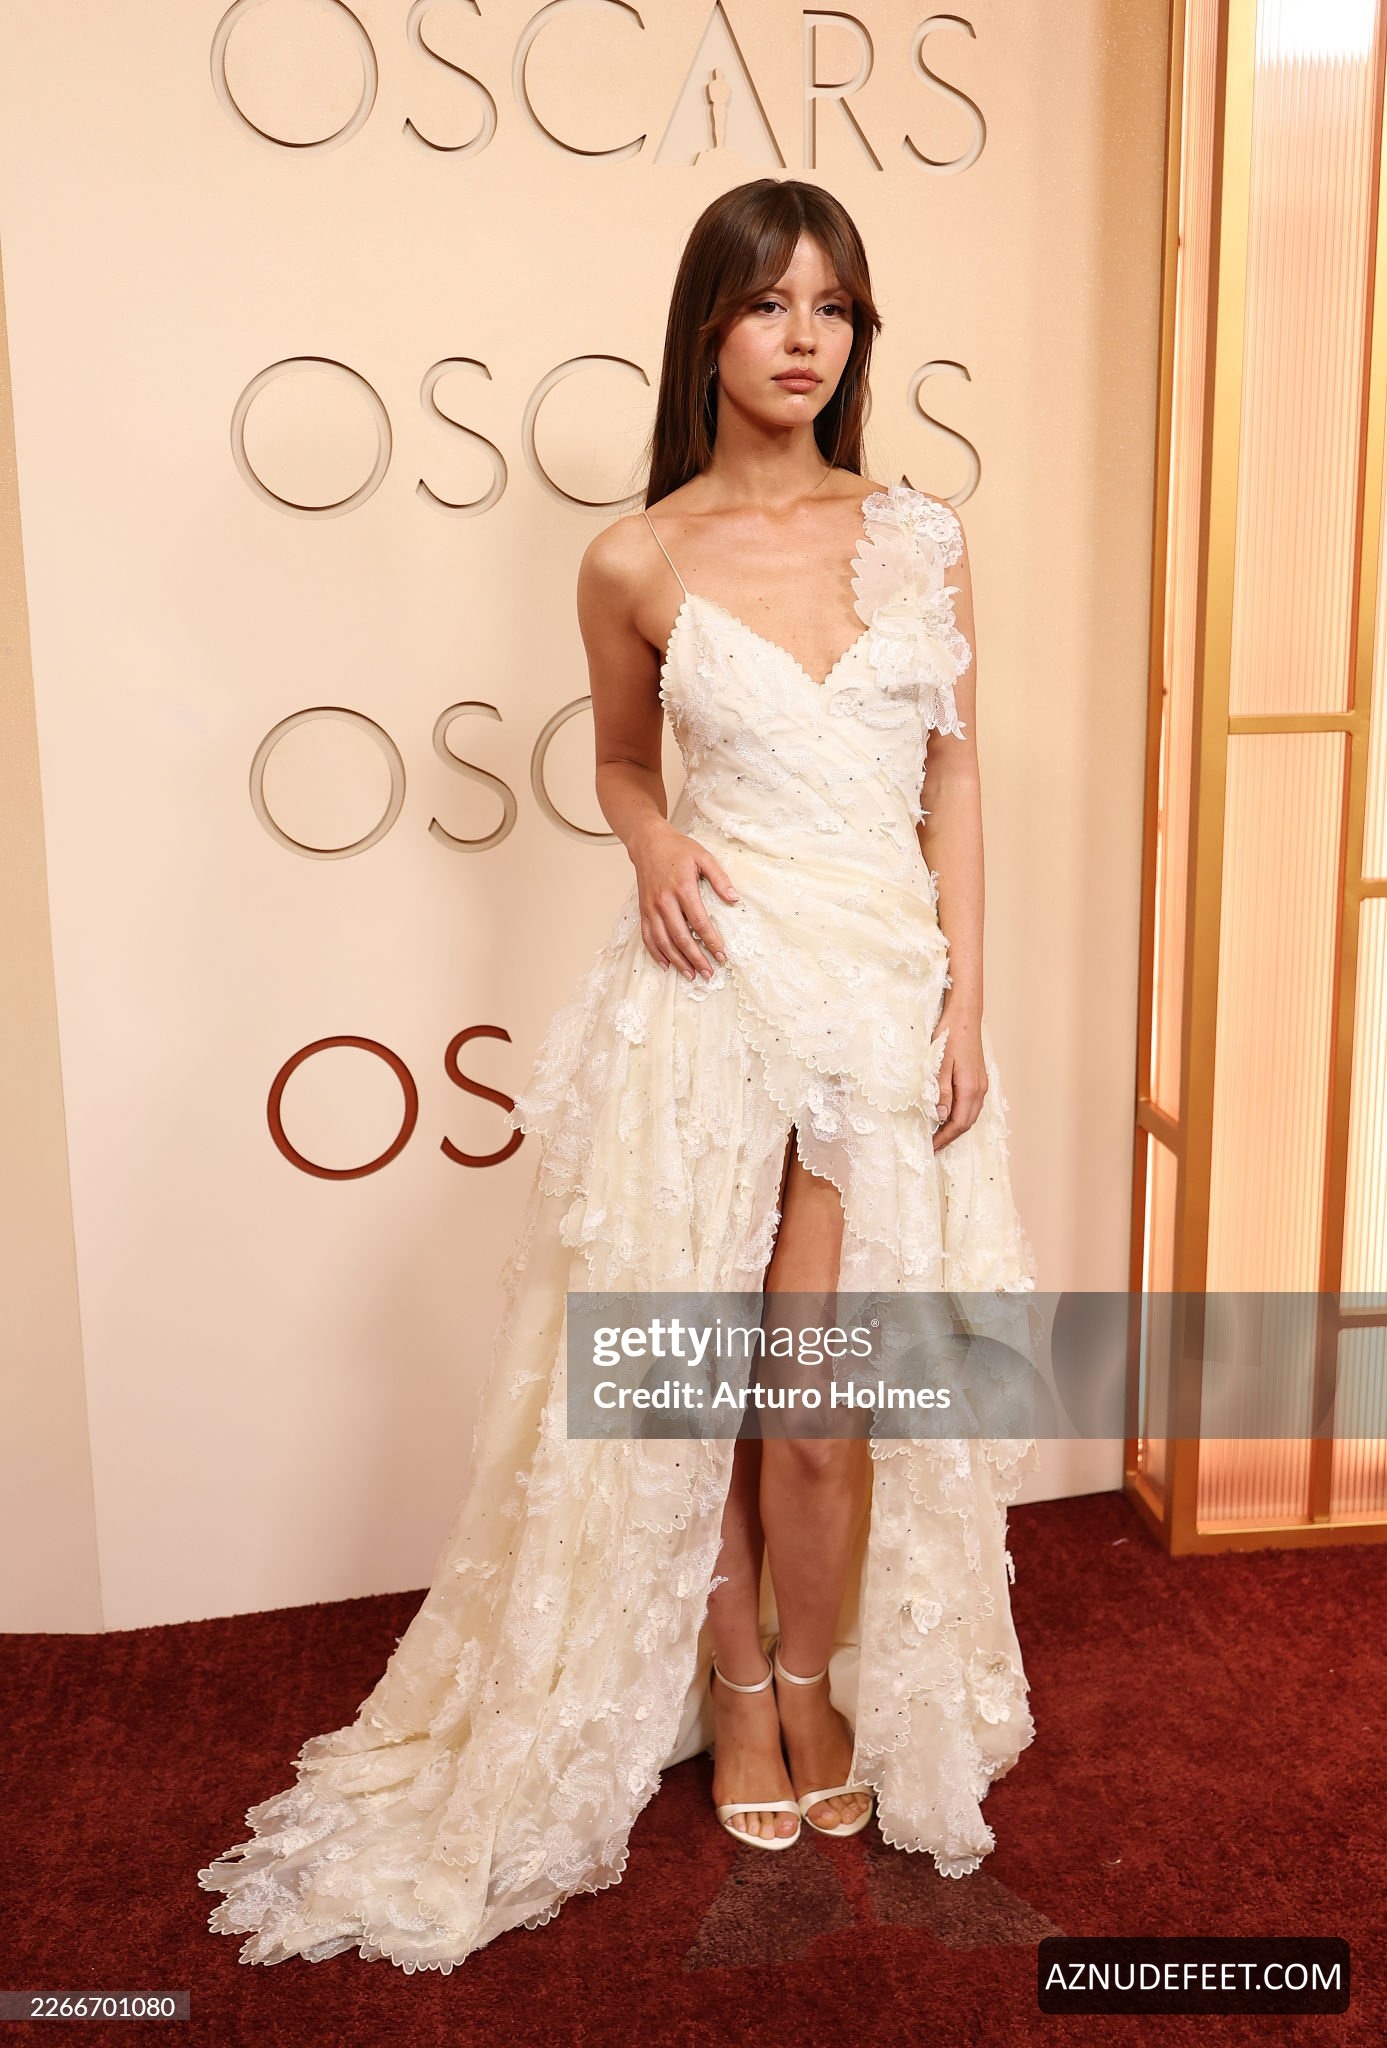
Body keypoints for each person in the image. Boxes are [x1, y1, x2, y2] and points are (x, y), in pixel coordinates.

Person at [199, 176, 1038, 1974]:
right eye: (772, 304)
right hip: (709, 996)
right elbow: (626, 766)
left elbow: (956, 772)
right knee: (690, 1381)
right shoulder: (635, 560)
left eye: (835, 307)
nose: (806, 339)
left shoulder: (921, 535)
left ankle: (813, 1676)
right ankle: (737, 1694)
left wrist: (970, 998)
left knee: (816, 1396)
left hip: (877, 1000)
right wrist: (650, 843)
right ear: (708, 328)